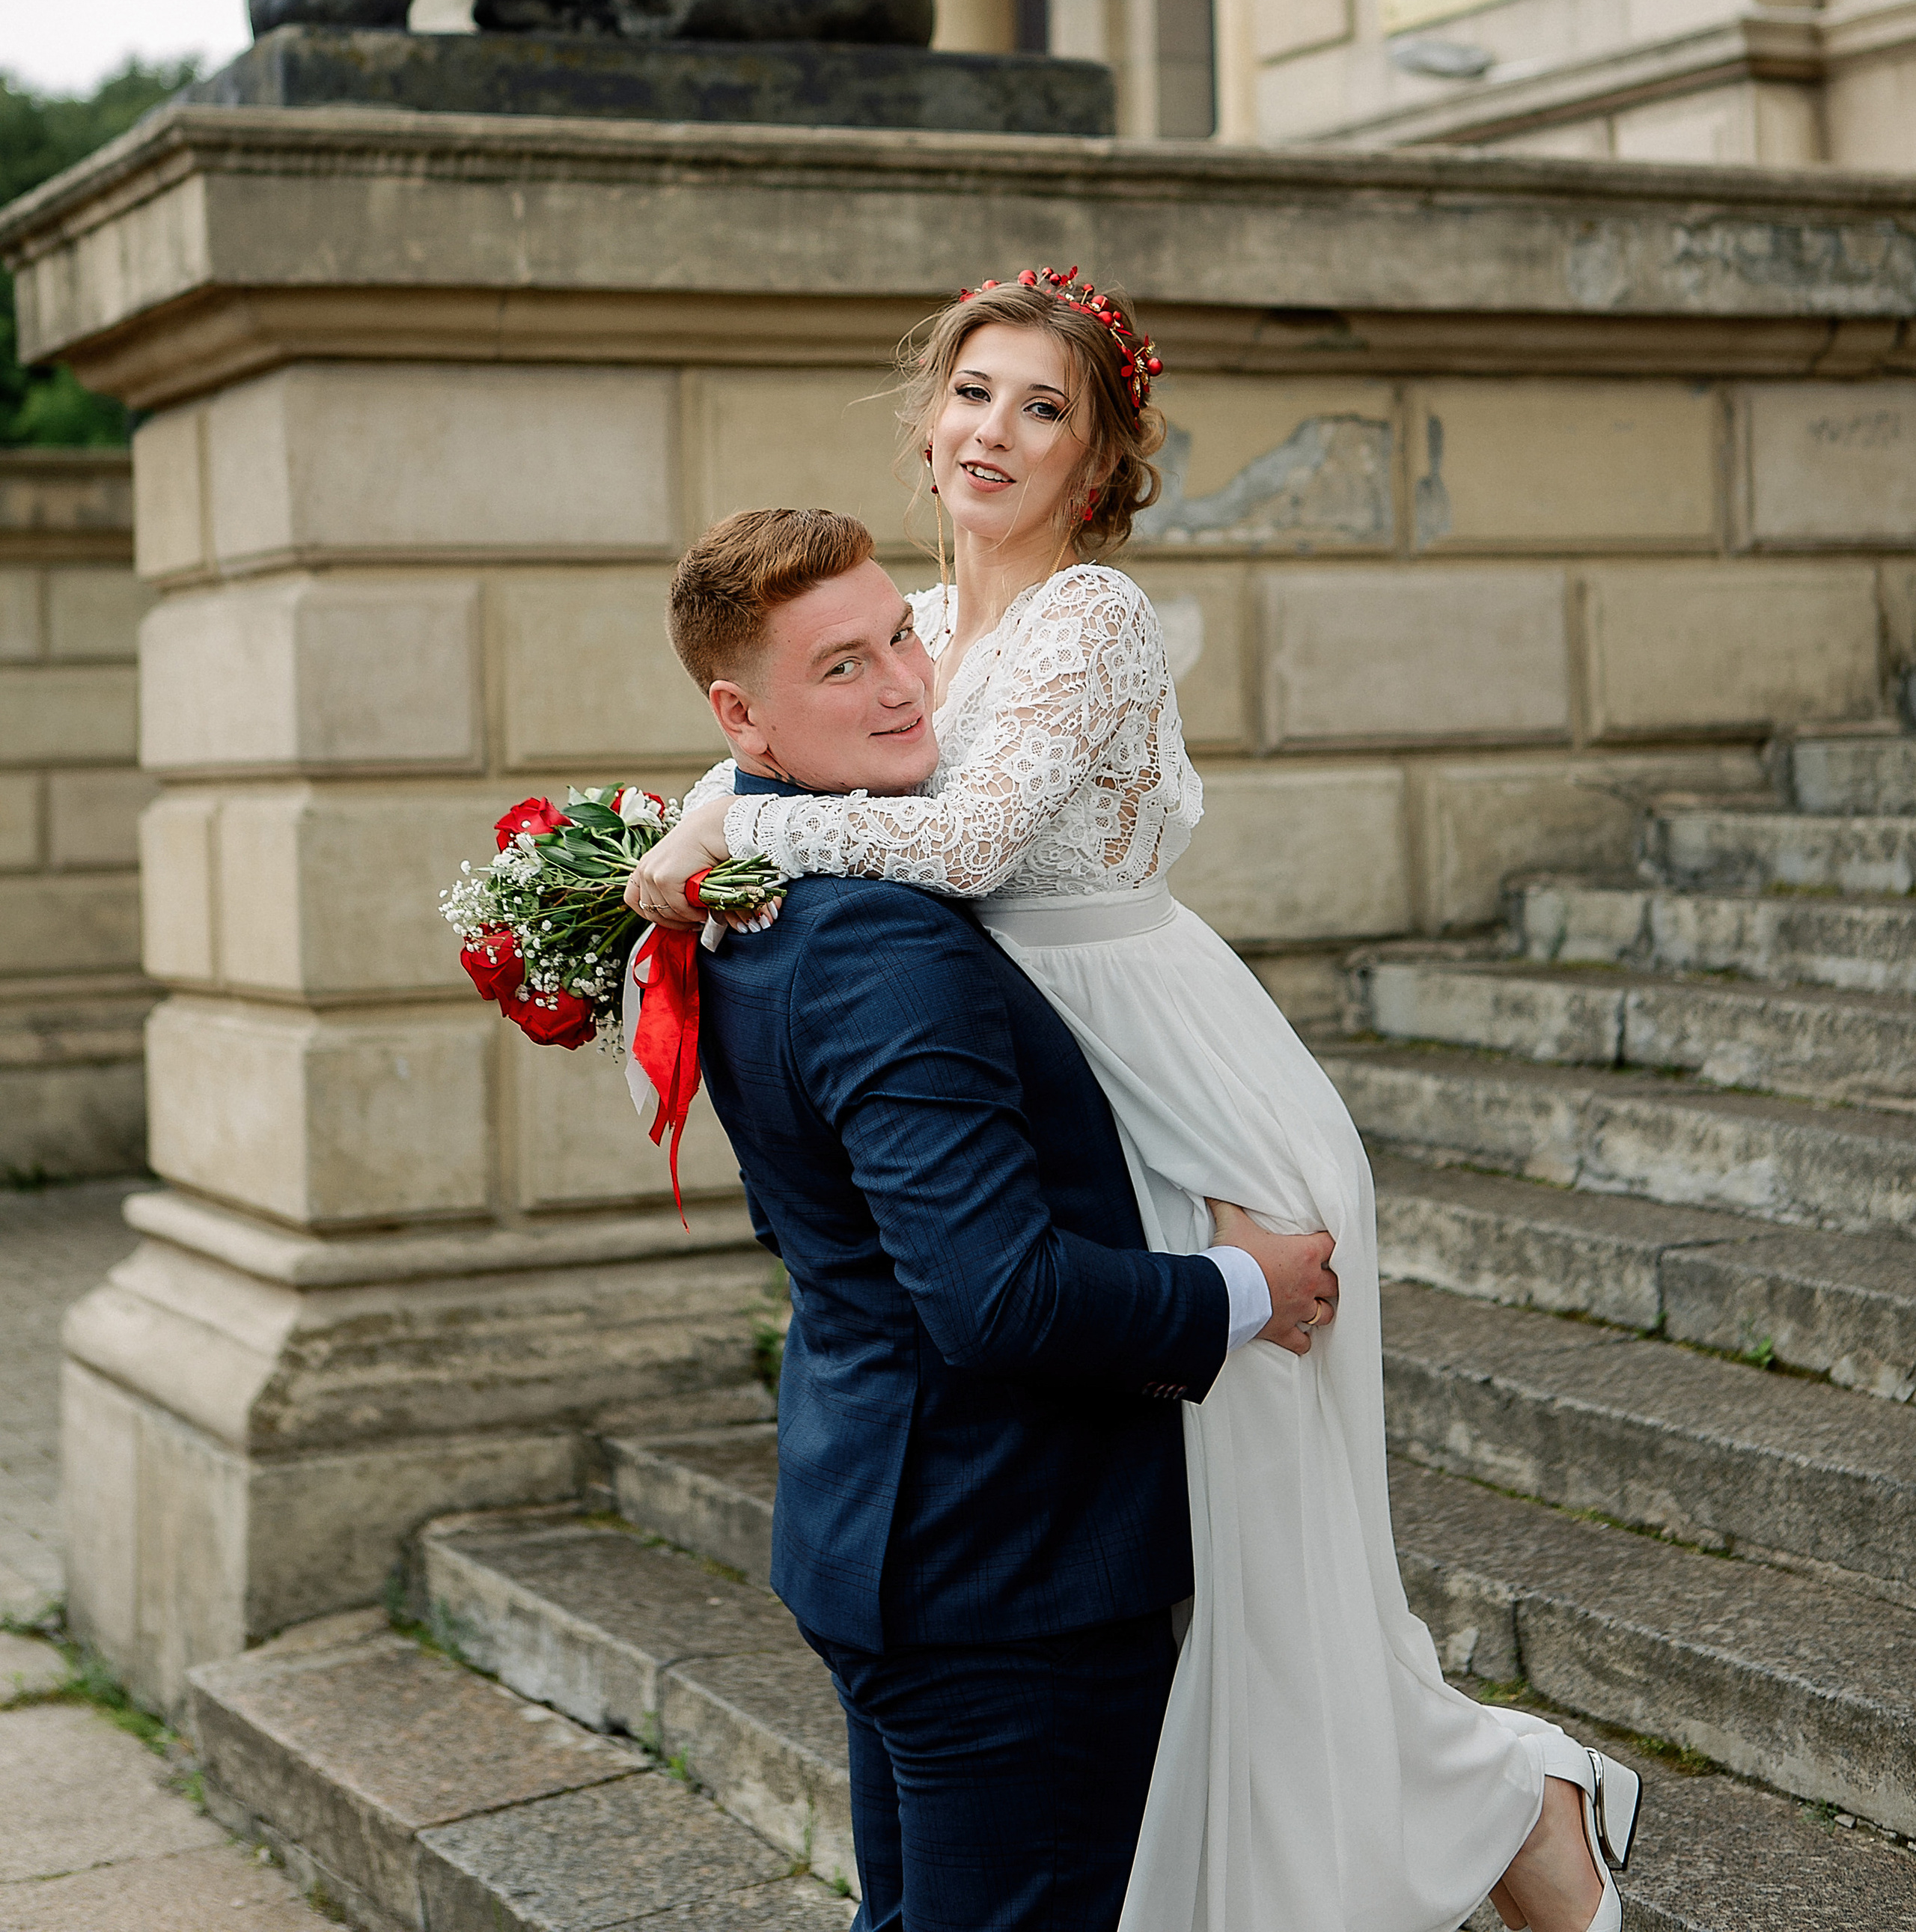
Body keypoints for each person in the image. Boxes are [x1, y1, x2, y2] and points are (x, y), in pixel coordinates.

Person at [631, 272, 1641, 1932]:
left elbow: (950, 849)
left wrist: (730, 841)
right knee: (1177, 1567)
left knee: (1262, 1560)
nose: (994, 433)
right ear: (924, 414)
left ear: (1098, 462)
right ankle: (1431, 1832)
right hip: (1047, 1078)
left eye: (1044, 409)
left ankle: (1510, 1812)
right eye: (972, 393)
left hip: (1171, 1081)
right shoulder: (919, 632)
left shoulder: (1086, 618)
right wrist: (660, 833)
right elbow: (779, 746)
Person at [642, 505, 1340, 1932]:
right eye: (843, 669)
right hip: (1006, 1578)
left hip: (878, 1520)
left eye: (901, 633)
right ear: (743, 719)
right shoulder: (882, 944)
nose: (905, 684)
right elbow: (997, 1299)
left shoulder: (755, 905)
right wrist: (1240, 1287)